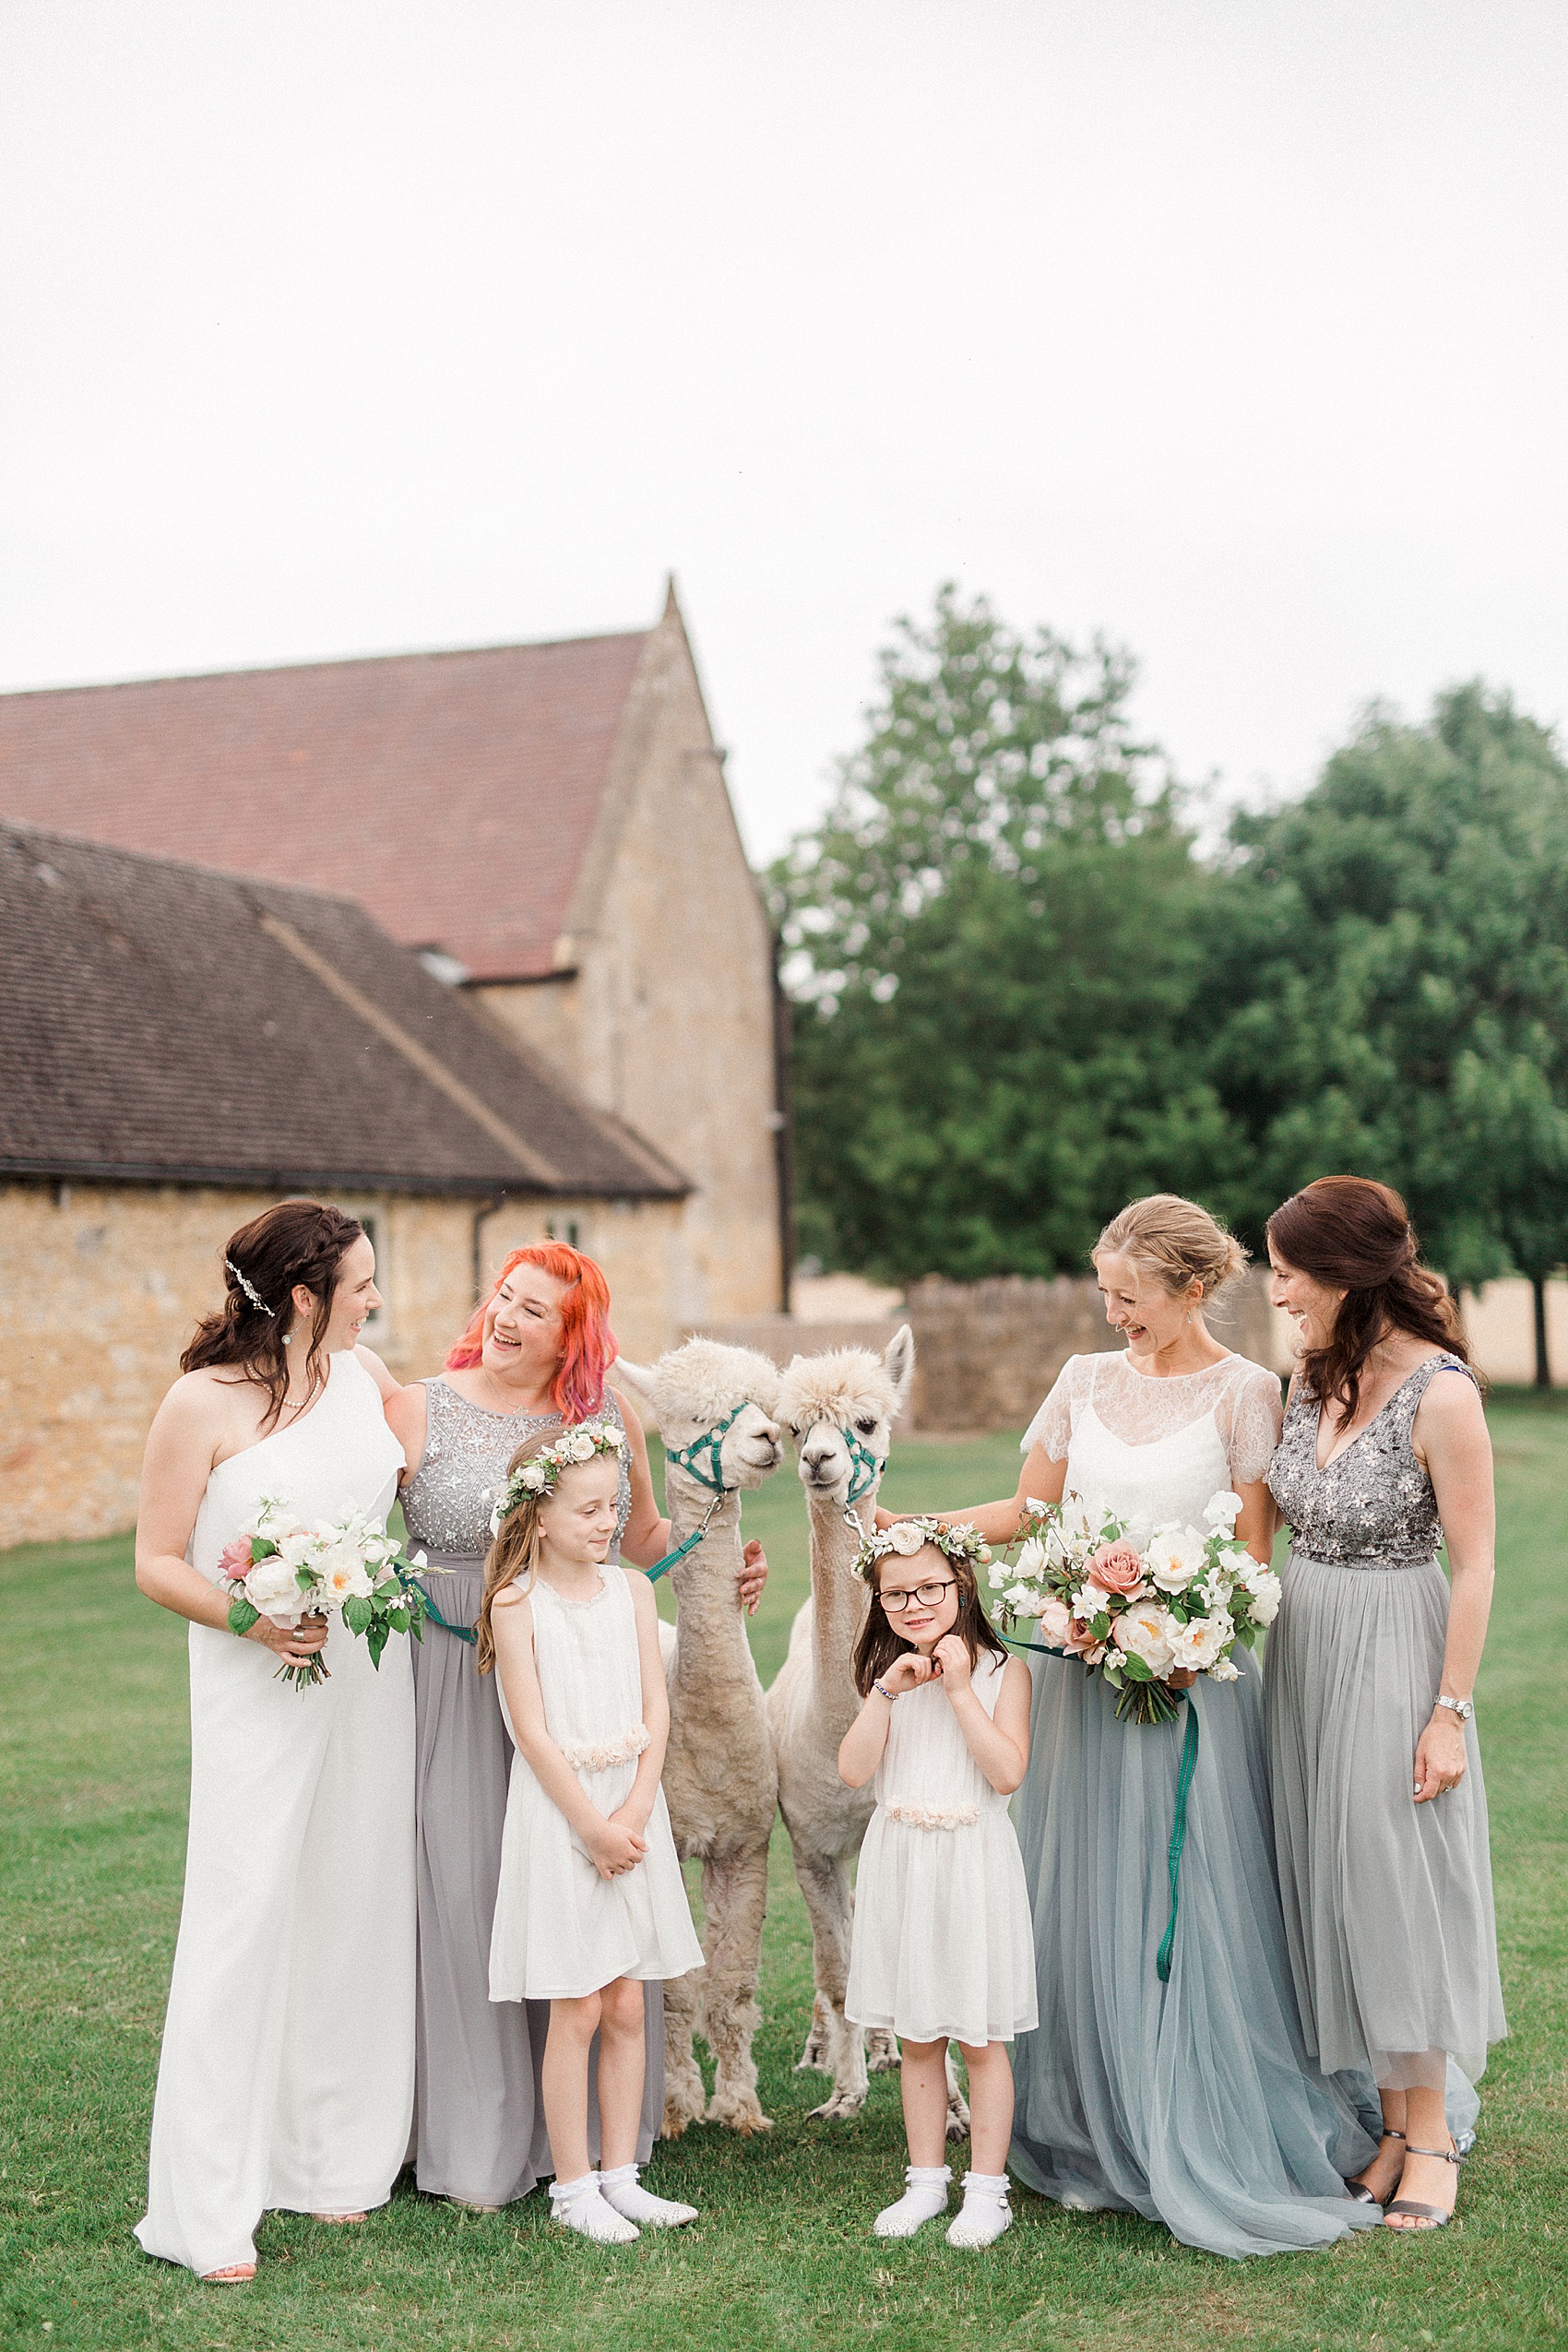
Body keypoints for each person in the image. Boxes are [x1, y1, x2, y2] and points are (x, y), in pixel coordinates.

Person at [893, 1194, 1380, 2259]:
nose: (1112, 1313)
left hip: (1194, 1684)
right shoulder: (1081, 1381)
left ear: (1192, 1287)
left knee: (1191, 1900)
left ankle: (1200, 2114)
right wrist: (923, 1526)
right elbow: (1030, 1513)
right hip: (1076, 1678)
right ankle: (1084, 2114)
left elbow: (1252, 1555)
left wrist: (1172, 1625)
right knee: (1084, 1889)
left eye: (1130, 1296)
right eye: (1103, 1293)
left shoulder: (1248, 1392)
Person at [382, 1243, 766, 2209]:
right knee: (464, 1886)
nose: (507, 1319)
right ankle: (474, 2135)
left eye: (534, 1311)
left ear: (571, 1335)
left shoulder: (598, 1415)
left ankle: (596, 2154)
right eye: (503, 1299)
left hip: (577, 1675)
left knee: (576, 1897)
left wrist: (718, 1574)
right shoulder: (415, 1404)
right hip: (447, 1668)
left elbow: (633, 1540)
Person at [132, 1202, 413, 2283]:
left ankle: (330, 2158)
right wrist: (251, 1617)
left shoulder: (366, 1375)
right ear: (304, 1296)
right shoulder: (196, 1404)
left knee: (353, 1903)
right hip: (258, 1684)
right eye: (363, 1283)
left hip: (364, 1686)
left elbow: (444, 1462)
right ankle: (203, 2209)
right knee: (242, 1917)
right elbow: (157, 1561)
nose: (377, 1300)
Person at [1265, 1176, 1504, 2233]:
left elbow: (1477, 1563)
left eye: (1284, 1273)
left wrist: (1445, 1710)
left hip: (1394, 1644)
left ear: (1341, 1275)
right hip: (1304, 1647)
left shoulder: (1441, 1393)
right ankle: (1396, 2129)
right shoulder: (1308, 1375)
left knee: (1395, 1887)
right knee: (1334, 1884)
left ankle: (1432, 2138)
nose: (1274, 1293)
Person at [479, 1421, 704, 2242]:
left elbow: (657, 1708)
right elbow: (531, 1732)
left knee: (629, 2006)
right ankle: (572, 2188)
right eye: (586, 1510)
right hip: (563, 1814)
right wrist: (592, 1827)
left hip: (631, 1807)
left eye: (613, 1506)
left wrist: (637, 1808)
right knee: (575, 2005)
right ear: (538, 1515)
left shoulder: (634, 1592)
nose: (605, 1523)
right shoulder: (515, 1605)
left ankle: (623, 2175)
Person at [838, 1518, 1035, 2250]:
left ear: (962, 1585)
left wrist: (958, 1693)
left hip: (972, 1864)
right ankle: (925, 2181)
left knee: (979, 2037)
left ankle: (987, 2191)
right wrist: (886, 1693)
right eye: (896, 1596)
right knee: (918, 2036)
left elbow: (1006, 1772)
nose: (914, 1605)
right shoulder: (882, 1677)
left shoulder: (1002, 1672)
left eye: (929, 1589)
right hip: (903, 1865)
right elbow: (855, 1770)